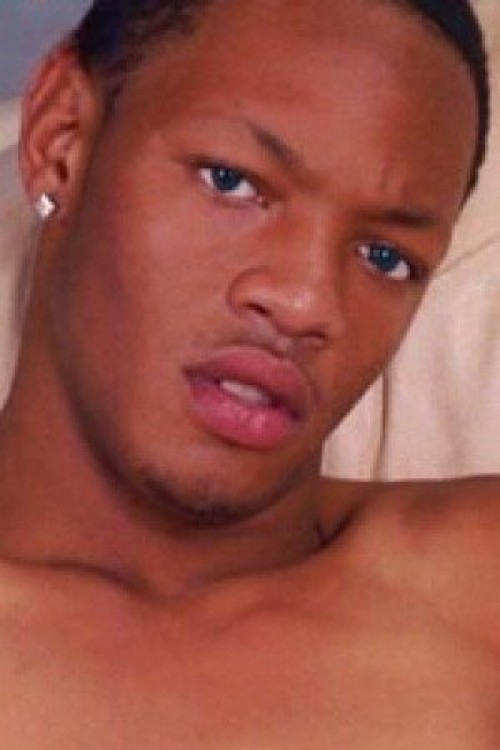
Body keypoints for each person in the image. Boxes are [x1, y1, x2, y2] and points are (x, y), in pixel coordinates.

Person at [0, 0, 497, 747]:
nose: (307, 302)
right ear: (61, 138)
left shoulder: (475, 589)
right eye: (231, 182)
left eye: (385, 258)